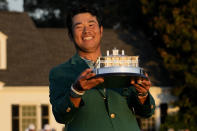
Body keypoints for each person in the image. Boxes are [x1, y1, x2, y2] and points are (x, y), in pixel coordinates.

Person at [49, 5, 155, 131]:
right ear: (70, 35)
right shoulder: (60, 73)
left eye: (91, 25)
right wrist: (76, 91)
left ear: (101, 30)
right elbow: (61, 116)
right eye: (79, 27)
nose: (86, 31)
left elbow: (146, 113)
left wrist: (142, 94)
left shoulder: (123, 66)